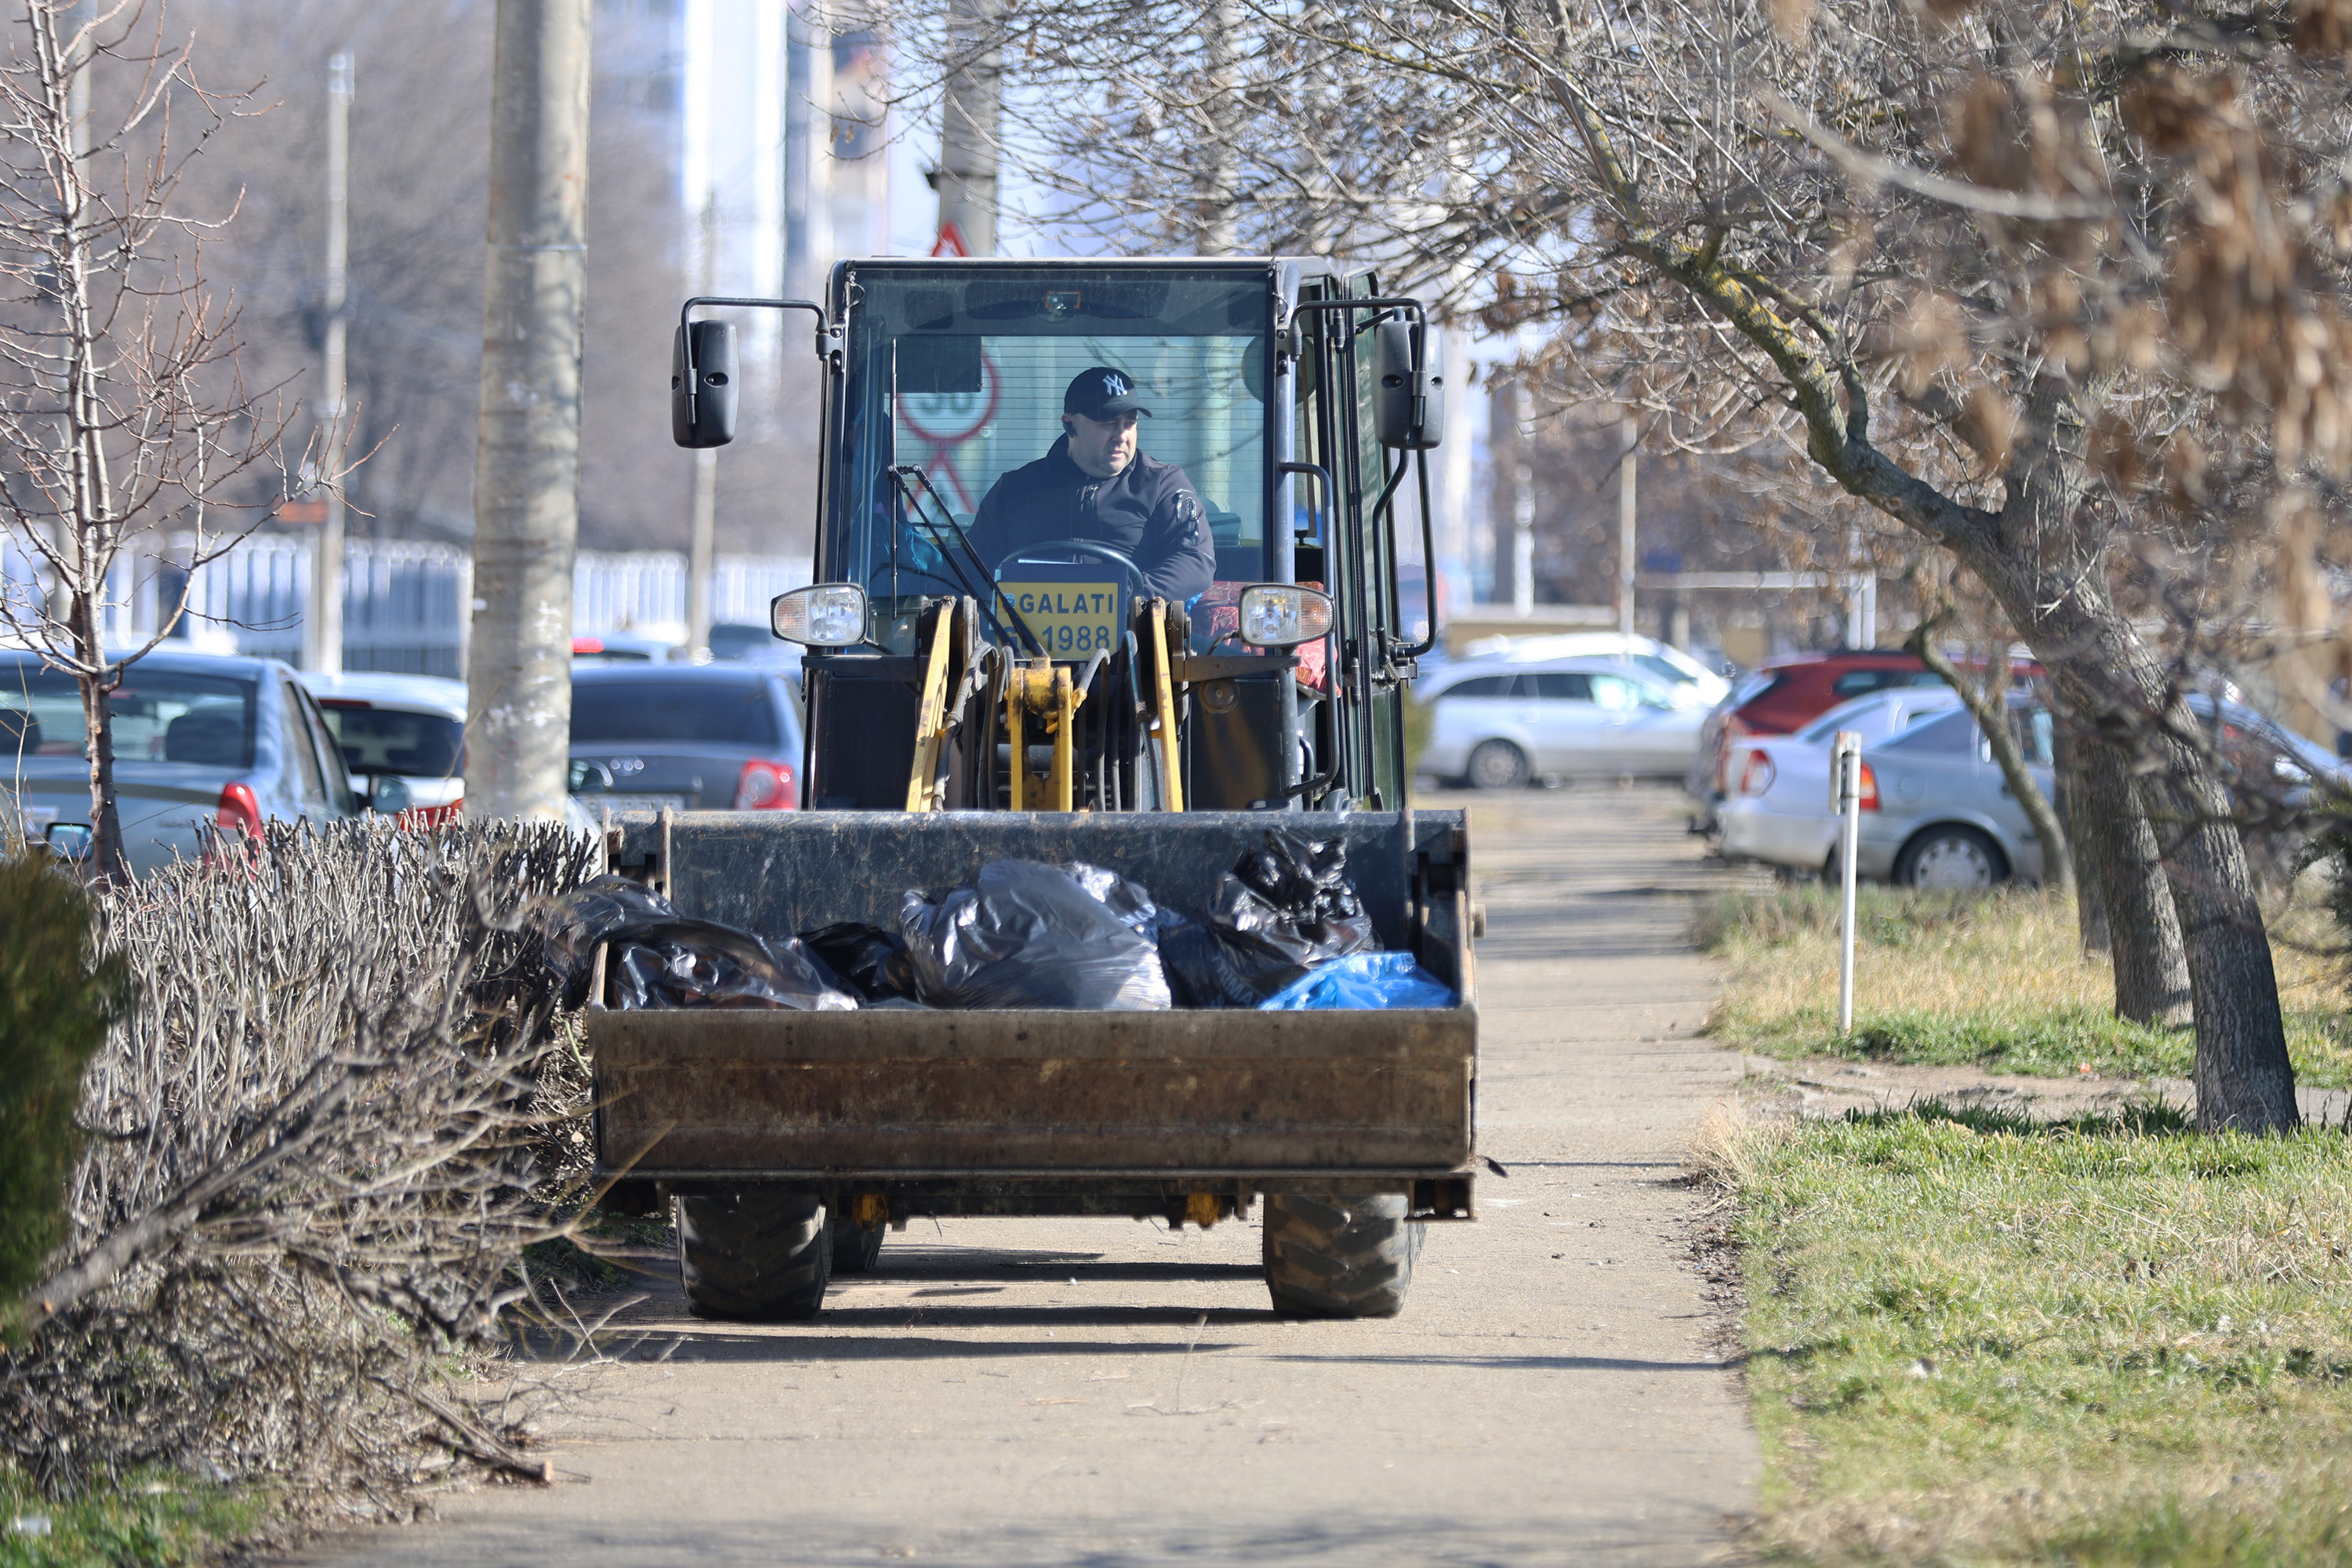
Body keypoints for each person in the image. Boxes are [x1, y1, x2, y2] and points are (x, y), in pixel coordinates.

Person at [965, 365, 1218, 604]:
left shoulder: (1163, 484)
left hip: (1134, 639)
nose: (1121, 436)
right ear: (1070, 424)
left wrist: (1127, 598)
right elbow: (969, 568)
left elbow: (1196, 560)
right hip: (1020, 640)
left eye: (1129, 423)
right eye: (1107, 423)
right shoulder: (1015, 489)